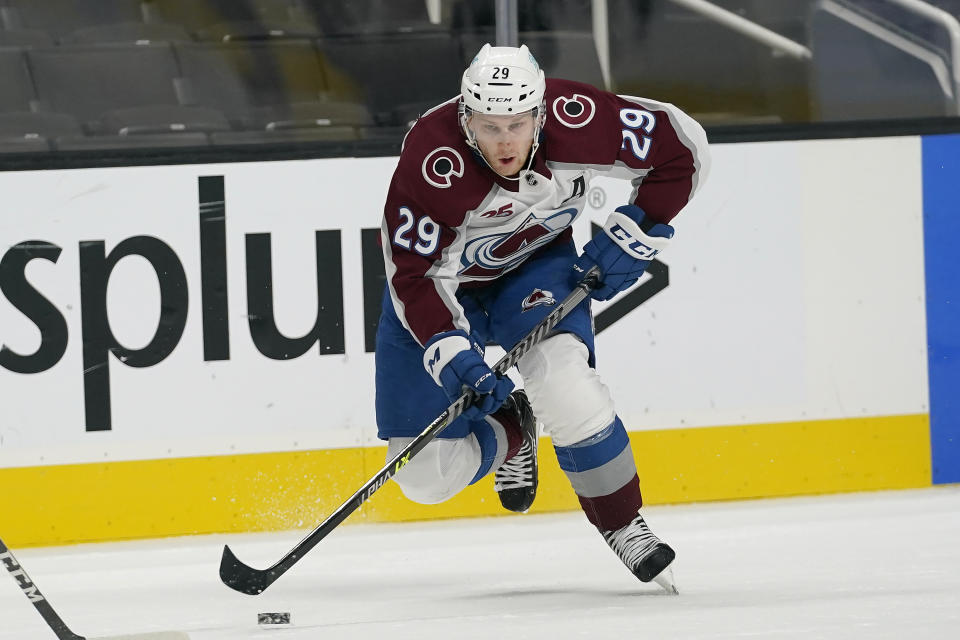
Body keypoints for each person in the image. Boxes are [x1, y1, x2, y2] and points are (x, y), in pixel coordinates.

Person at [375, 43, 710, 588]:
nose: (505, 142)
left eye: (517, 124)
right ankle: (512, 425)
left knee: (568, 383)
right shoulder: (432, 161)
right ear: (466, 119)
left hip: (535, 270)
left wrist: (639, 229)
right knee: (423, 477)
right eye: (488, 127)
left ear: (541, 112)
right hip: (442, 290)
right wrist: (451, 352)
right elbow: (413, 275)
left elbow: (684, 149)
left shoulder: (581, 120)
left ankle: (624, 524)